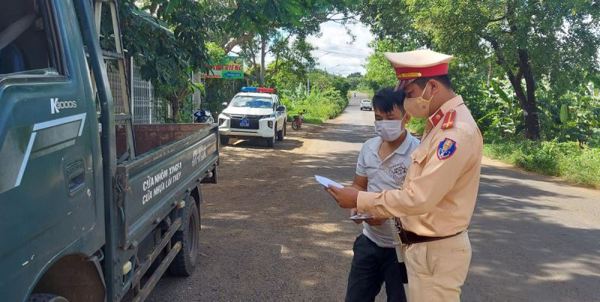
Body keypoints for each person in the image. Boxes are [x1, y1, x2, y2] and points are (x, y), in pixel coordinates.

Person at [327, 49, 483, 302]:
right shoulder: (439, 126)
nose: (407, 101)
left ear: (431, 87)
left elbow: (418, 198)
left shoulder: (455, 133)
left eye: (409, 94)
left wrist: (360, 200)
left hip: (434, 251)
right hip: (419, 248)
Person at [346, 88, 418, 302]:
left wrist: (386, 214)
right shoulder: (368, 148)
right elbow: (359, 185)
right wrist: (355, 205)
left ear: (406, 117)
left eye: (390, 117)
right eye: (378, 118)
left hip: (404, 248)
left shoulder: (419, 153)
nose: (383, 123)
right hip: (369, 242)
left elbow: (418, 202)